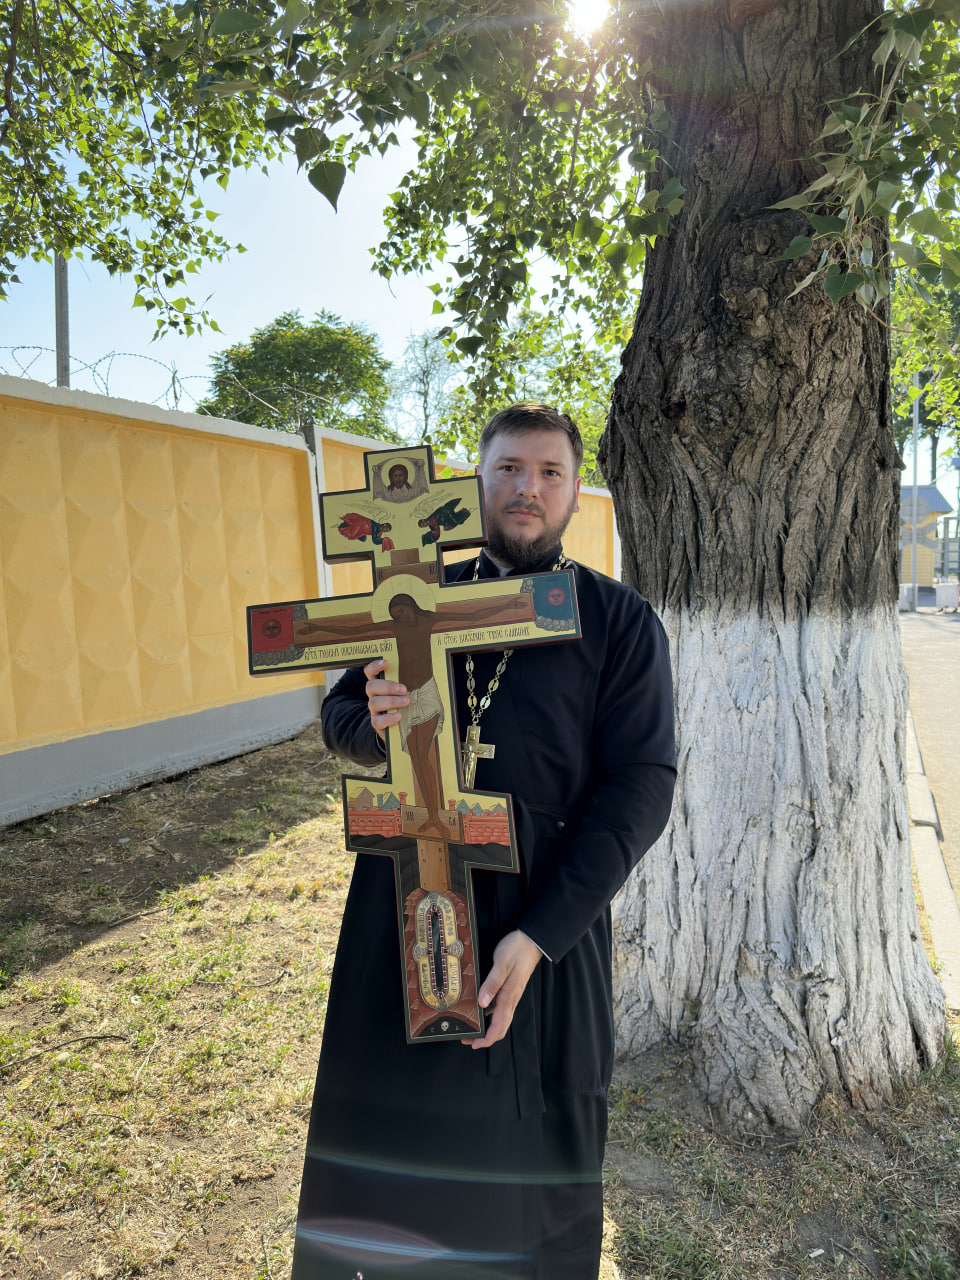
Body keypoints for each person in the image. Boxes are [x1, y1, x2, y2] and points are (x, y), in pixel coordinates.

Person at [290, 404, 676, 1280]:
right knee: (385, 1113)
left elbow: (643, 785)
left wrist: (542, 935)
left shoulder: (616, 621)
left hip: (541, 908)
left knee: (533, 1145)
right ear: (479, 485)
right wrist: (370, 723)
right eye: (508, 469)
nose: (527, 488)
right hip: (407, 890)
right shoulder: (411, 598)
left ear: (577, 492)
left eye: (548, 472)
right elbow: (341, 715)